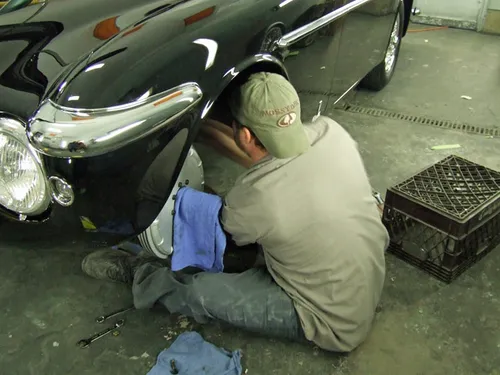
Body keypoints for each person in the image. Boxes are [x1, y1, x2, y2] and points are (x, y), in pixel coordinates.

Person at [81, 72, 389, 353]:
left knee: (201, 291)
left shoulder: (257, 198)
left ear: (243, 135)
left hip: (331, 320)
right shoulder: (331, 131)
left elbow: (229, 230)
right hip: (363, 278)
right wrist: (195, 127)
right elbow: (271, 165)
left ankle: (141, 275)